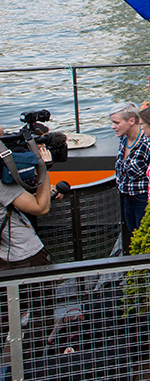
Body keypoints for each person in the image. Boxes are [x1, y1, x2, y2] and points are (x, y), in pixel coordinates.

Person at [0, 135, 53, 350]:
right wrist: (43, 168)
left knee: (5, 315)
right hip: (25, 255)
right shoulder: (3, 188)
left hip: (3, 256)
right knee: (41, 314)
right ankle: (32, 364)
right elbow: (41, 207)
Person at [111, 102, 150, 244]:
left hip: (142, 199)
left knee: (145, 239)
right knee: (133, 238)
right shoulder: (123, 139)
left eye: (116, 122)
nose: (113, 127)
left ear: (131, 121)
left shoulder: (148, 143)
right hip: (126, 197)